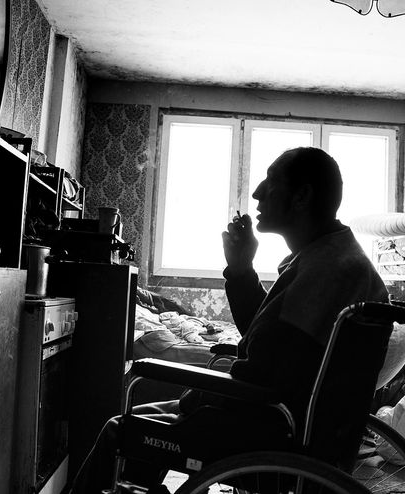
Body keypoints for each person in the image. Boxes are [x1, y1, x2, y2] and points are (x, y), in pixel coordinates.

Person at [71, 146, 388, 493]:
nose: (256, 193)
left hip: (269, 432)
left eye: (271, 181)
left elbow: (265, 370)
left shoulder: (327, 271)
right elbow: (270, 337)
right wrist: (240, 270)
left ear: (302, 196)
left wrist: (198, 397)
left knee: (121, 429)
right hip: (288, 424)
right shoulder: (334, 258)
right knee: (147, 419)